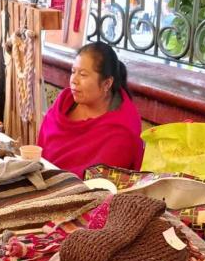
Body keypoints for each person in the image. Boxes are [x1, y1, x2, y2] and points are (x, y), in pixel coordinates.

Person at [37, 42, 144, 177]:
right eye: (73, 72)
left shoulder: (122, 129)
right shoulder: (64, 102)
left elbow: (100, 183)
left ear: (107, 83)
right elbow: (40, 153)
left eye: (83, 74)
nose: (74, 80)